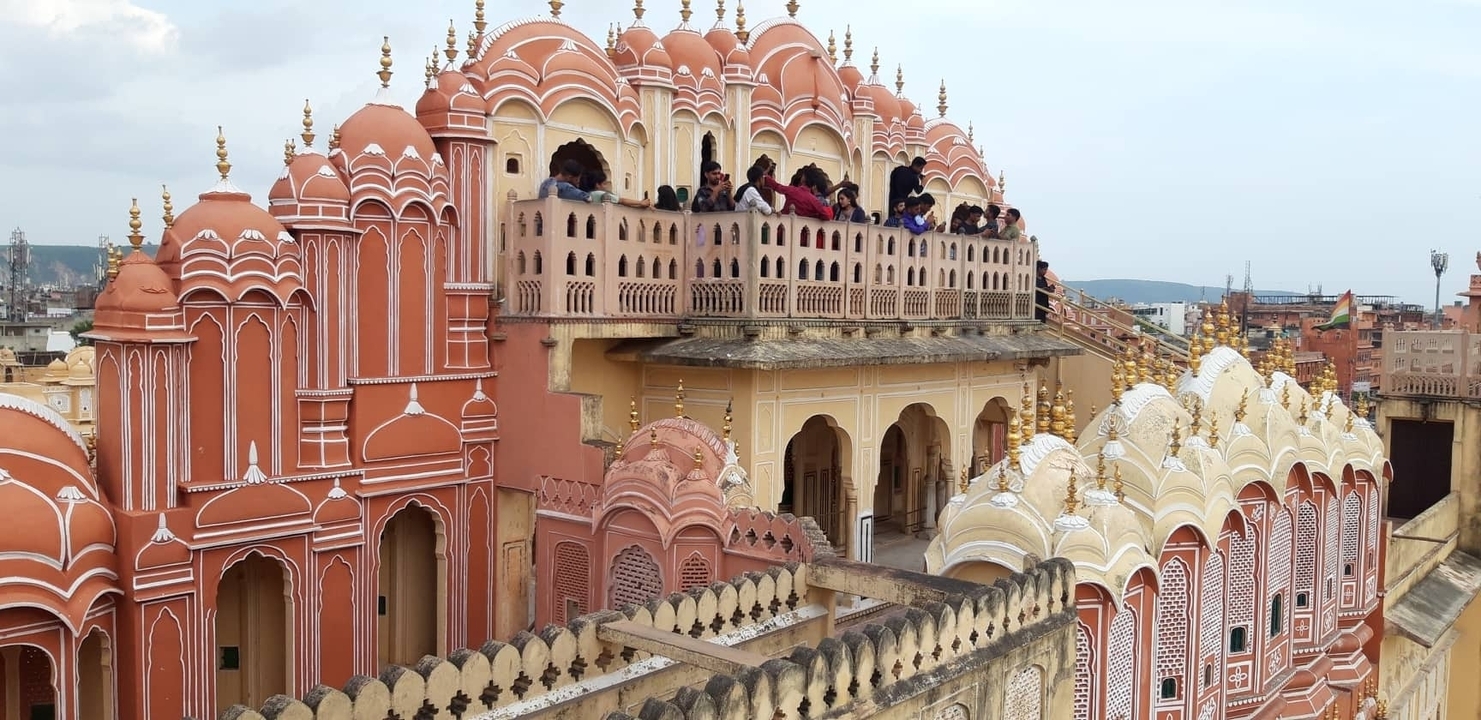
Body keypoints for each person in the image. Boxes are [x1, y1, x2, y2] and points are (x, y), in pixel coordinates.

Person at [578, 170, 653, 209]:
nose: (606, 186)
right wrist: (640, 203)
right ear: (597, 185)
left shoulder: (588, 194)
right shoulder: (600, 194)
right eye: (604, 183)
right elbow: (622, 201)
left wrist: (640, 205)